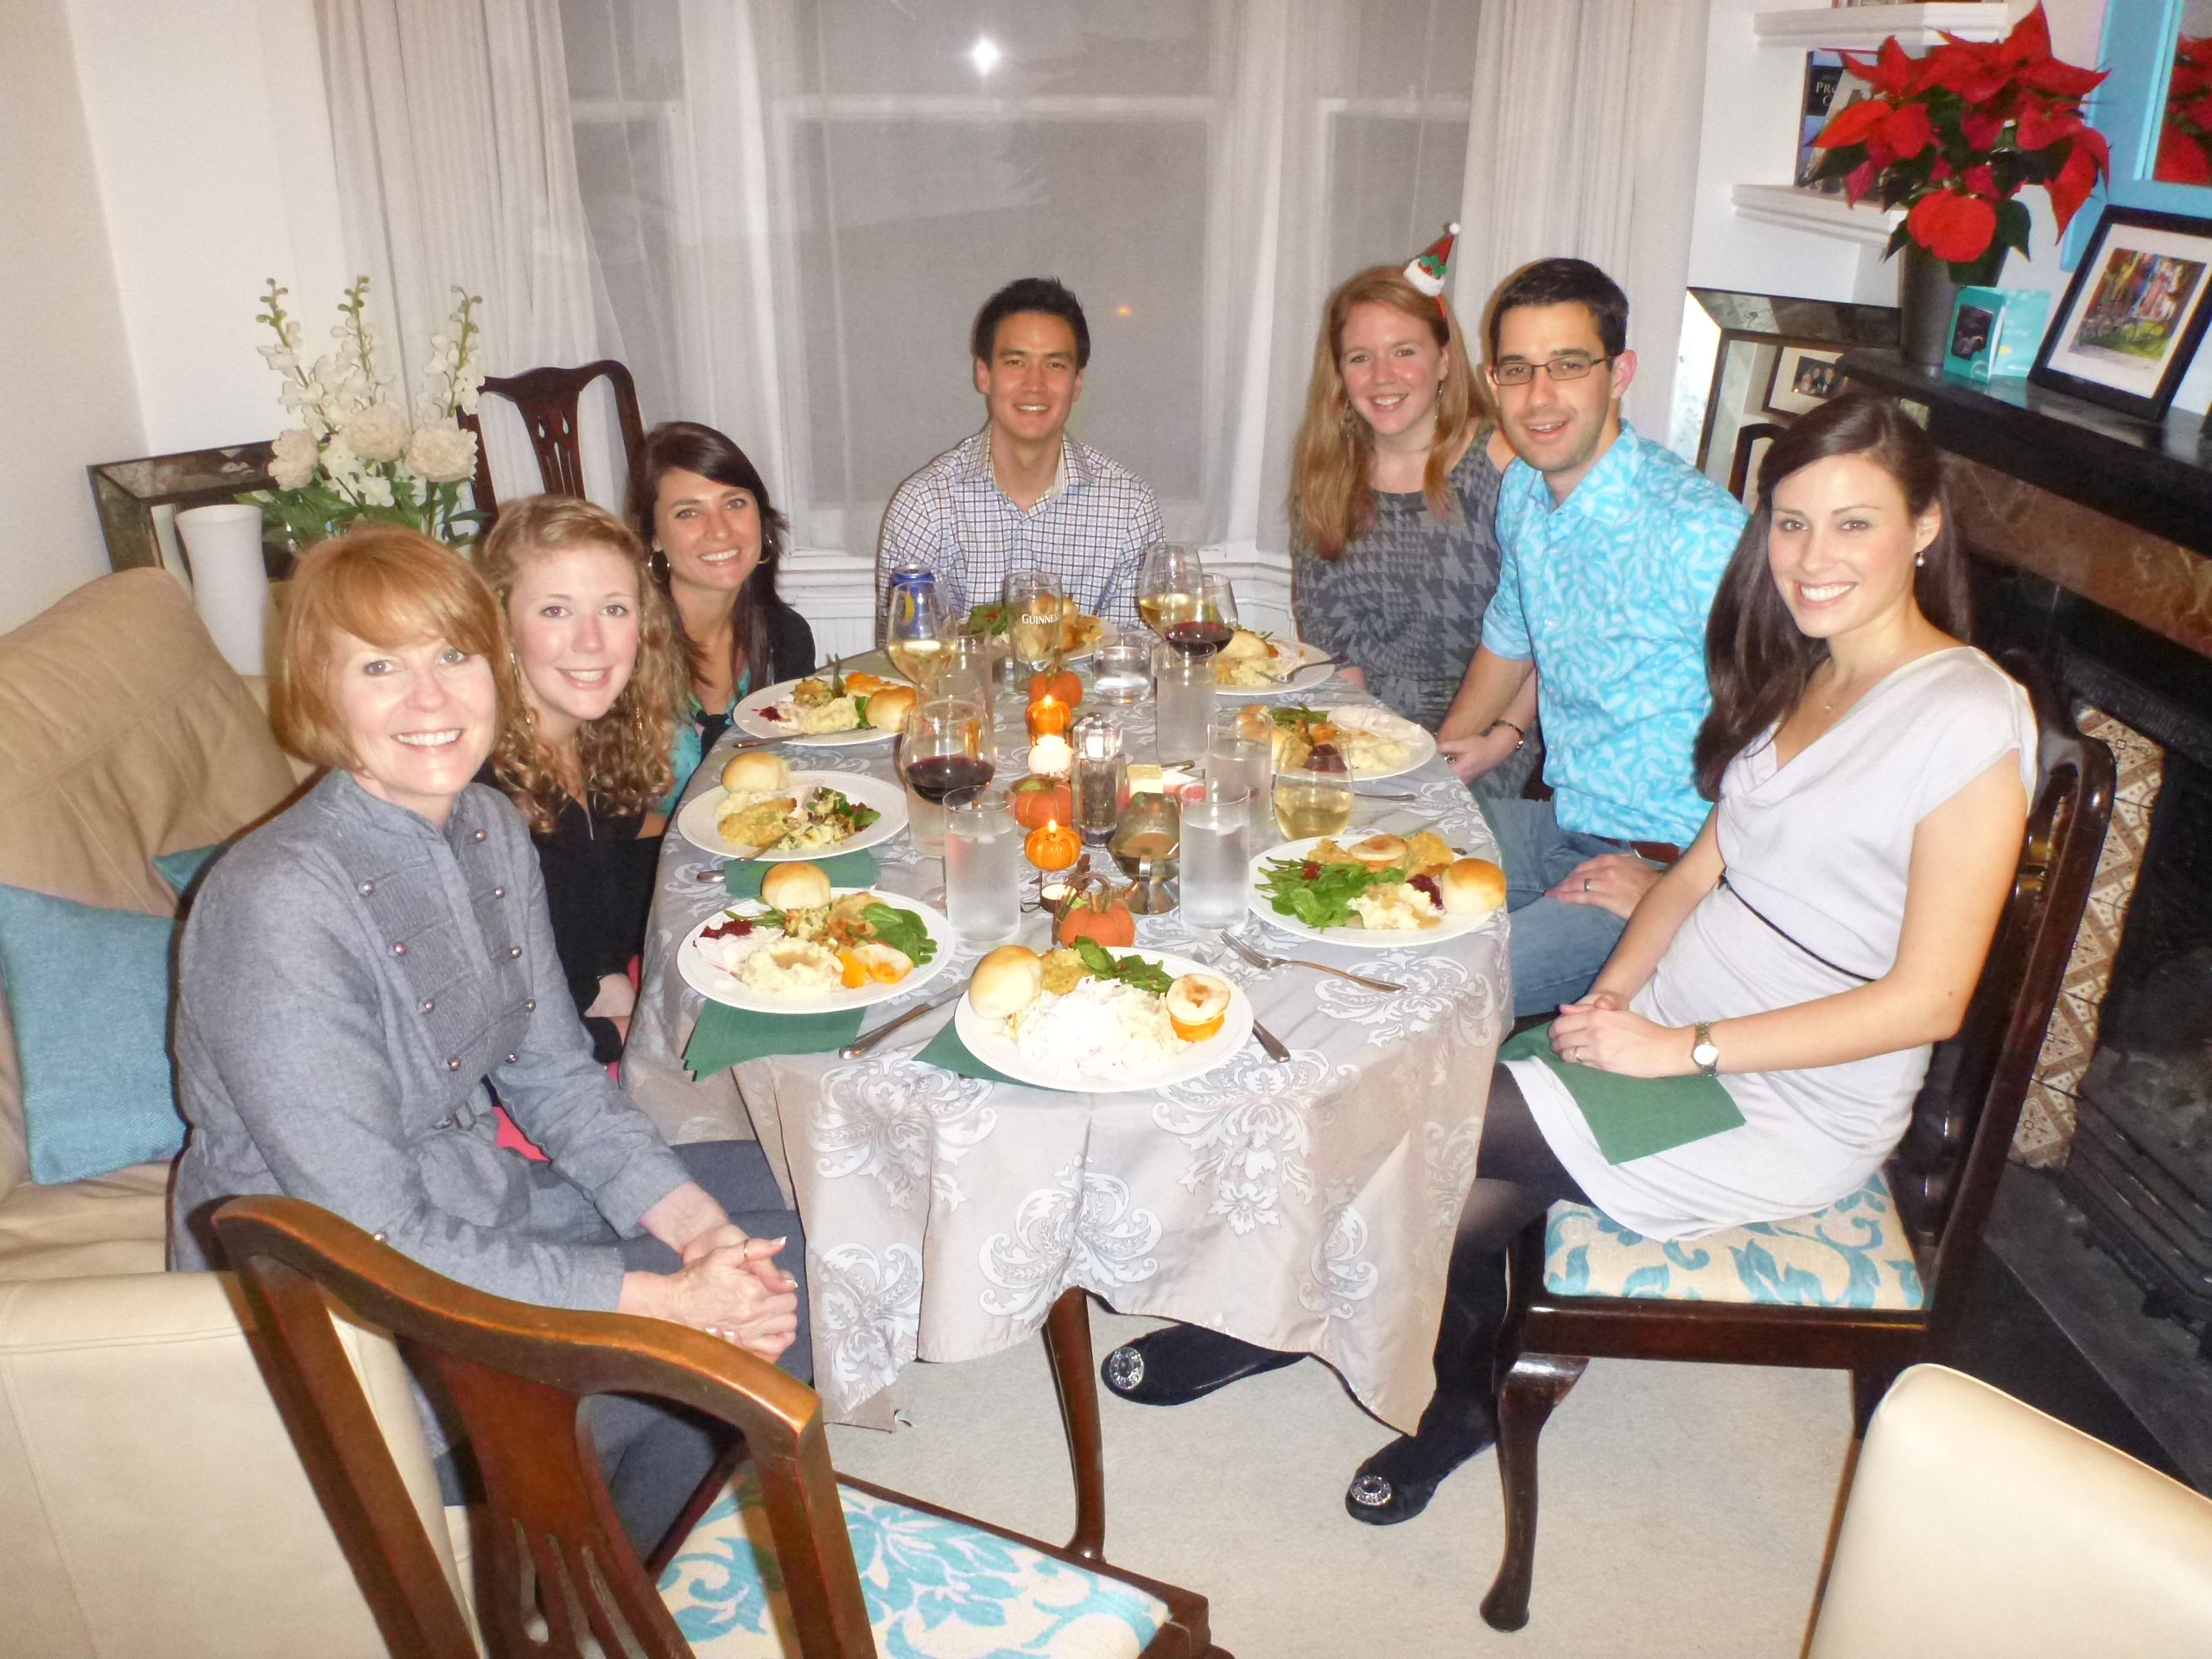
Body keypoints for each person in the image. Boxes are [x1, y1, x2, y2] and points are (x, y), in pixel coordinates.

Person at [1336, 392, 2036, 1523]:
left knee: (1423, 1114)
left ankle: (1424, 1377)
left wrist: (1679, 1049)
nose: (1812, 557)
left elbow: (1929, 1001)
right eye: (1791, 523)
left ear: (1923, 527)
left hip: (1787, 1094)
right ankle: (1450, 1389)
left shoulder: (1964, 716)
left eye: (1853, 523)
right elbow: (1694, 873)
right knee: (1454, 1178)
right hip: (1670, 1020)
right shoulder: (1810, 667)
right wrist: (1614, 995)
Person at [168, 526, 810, 1561]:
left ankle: (640, 1547)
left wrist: (698, 1234)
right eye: (380, 668)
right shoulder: (276, 903)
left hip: (477, 1200)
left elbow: (554, 1074)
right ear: (320, 692)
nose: (430, 700)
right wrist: (665, 1300)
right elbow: (372, 1232)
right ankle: (574, 1572)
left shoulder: (483, 824)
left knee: (799, 1226)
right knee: (733, 1327)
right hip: (346, 1307)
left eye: (453, 656)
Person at [1434, 257, 1750, 1018]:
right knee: (1360, 870)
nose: (1539, 397)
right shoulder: (1523, 490)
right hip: (1564, 825)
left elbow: (1793, 735)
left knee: (1441, 996)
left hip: (1662, 866)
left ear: (1620, 374)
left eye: (1568, 365)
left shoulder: (1698, 531)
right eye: (1517, 370)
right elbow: (1512, 633)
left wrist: (1686, 890)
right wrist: (1438, 771)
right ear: (1493, 380)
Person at [1288, 235, 1540, 794]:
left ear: (1444, 359)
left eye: (1404, 351)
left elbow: (1550, 626)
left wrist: (1505, 737)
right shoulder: (1326, 476)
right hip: (1365, 731)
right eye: (1360, 357)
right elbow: (1334, 639)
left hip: (1490, 743)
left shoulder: (1506, 465)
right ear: (1340, 372)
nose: (1382, 376)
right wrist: (1365, 747)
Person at [479, 495, 686, 1065]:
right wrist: (624, 1032)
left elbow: (593, 922)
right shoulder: (481, 796)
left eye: (614, 609)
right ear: (502, 625)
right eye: (555, 610)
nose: (591, 641)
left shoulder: (591, 745)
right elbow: (488, 1028)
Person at [876, 276, 1162, 633]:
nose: (1034, 385)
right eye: (1015, 362)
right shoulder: (924, 504)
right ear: (984, 375)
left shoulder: (1129, 505)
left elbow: (1133, 652)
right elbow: (908, 653)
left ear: (1077, 383)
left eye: (1055, 365)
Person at [629, 423, 815, 799]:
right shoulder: (624, 652)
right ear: (654, 537)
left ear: (761, 519)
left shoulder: (786, 636)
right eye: (688, 513)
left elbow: (797, 767)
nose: (719, 530)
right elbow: (603, 820)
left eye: (734, 503)